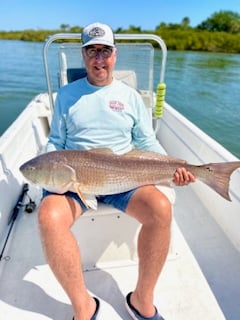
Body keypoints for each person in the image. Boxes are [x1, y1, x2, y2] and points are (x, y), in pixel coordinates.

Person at [38, 22, 196, 320]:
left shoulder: (131, 96)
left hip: (124, 178)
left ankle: (141, 300)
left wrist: (172, 168)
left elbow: (147, 141)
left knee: (161, 208)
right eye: (92, 51)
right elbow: (55, 141)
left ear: (115, 54)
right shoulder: (67, 95)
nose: (99, 58)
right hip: (76, 179)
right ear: (83, 55)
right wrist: (47, 169)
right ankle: (84, 307)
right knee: (48, 216)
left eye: (105, 51)